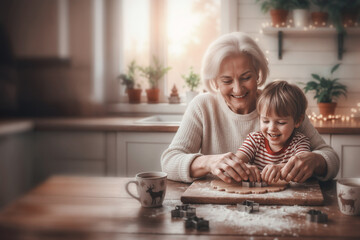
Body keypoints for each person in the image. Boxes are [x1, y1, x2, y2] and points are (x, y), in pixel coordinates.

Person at [161, 32, 339, 184]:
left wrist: (316, 160)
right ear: (215, 81)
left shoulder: (279, 105)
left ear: (258, 74)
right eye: (227, 80)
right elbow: (169, 161)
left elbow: (330, 157)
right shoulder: (202, 106)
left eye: (246, 77)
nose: (238, 89)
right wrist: (209, 162)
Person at [236, 80, 311, 184]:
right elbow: (237, 161)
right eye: (265, 121)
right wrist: (245, 168)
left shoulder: (299, 142)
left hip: (288, 195)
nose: (271, 128)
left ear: (298, 121)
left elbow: (300, 165)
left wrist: (280, 168)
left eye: (281, 122)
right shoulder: (254, 139)